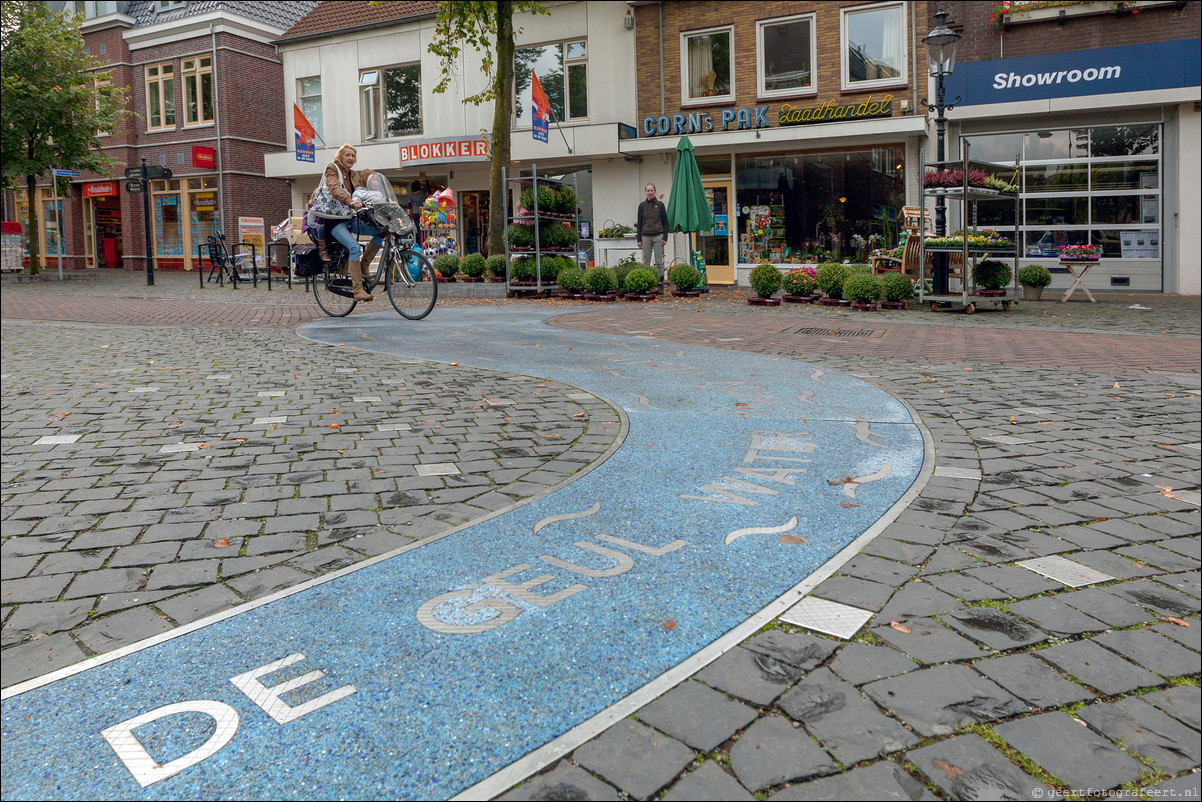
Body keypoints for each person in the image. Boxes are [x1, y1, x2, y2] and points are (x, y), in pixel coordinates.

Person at [321, 143, 384, 301]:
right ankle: (358, 290)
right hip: (335, 220)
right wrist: (350, 201)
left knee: (380, 232)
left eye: (353, 155)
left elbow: (366, 183)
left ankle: (364, 265)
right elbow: (334, 188)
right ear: (340, 157)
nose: (350, 158)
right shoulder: (332, 168)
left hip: (350, 217)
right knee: (354, 247)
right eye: (347, 155)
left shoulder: (354, 174)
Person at [636, 183, 668, 280]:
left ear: (655, 191)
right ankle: (647, 280)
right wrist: (639, 239)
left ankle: (660, 283)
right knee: (646, 261)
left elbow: (665, 222)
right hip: (646, 236)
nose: (650, 193)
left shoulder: (660, 205)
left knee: (659, 261)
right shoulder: (642, 206)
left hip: (658, 235)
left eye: (651, 190)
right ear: (645, 192)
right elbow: (640, 223)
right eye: (648, 191)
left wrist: (665, 237)